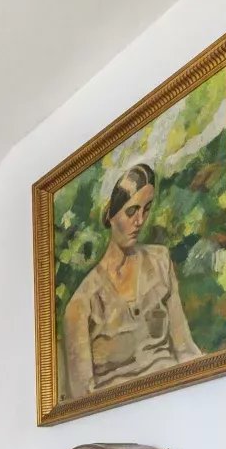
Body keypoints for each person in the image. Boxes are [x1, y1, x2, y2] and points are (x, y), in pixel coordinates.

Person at [62, 163, 201, 397]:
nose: (139, 221)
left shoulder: (160, 261)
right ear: (109, 213)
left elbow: (185, 348)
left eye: (146, 209)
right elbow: (82, 396)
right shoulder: (82, 303)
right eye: (131, 211)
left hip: (178, 396)